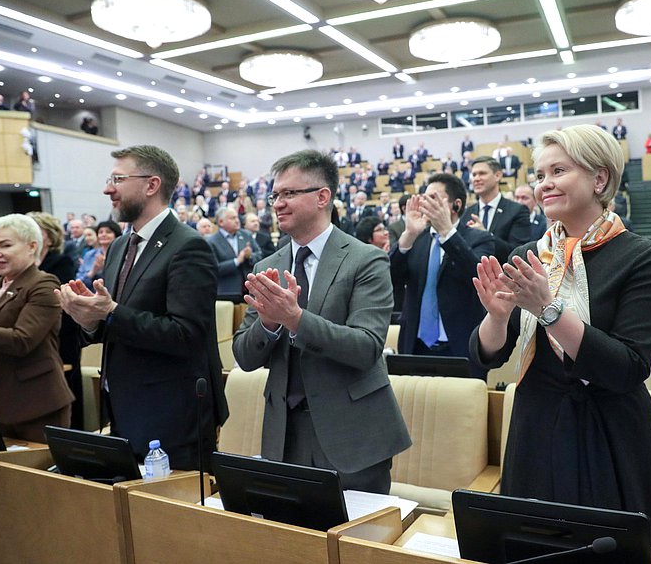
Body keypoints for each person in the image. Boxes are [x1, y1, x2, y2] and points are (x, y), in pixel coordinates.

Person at [469, 124, 651, 550]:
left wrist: (548, 309)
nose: (545, 185)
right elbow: (490, 354)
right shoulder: (527, 255)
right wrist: (496, 317)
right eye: (539, 175)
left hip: (607, 432)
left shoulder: (643, 258)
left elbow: (627, 367)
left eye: (558, 171)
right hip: (535, 425)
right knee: (531, 548)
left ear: (600, 179)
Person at [232, 149, 410, 494]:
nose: (278, 204)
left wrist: (296, 319)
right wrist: (268, 325)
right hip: (284, 435)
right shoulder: (266, 267)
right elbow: (244, 356)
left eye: (289, 193)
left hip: (352, 435)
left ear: (322, 197)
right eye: (275, 195)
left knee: (357, 543)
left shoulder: (365, 260)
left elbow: (366, 347)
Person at [56, 145, 228, 470]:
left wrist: (110, 312)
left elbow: (185, 334)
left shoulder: (189, 246)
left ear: (152, 185)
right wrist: (89, 319)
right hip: (123, 407)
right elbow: (115, 324)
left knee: (167, 518)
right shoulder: (121, 245)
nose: (108, 188)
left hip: (172, 416)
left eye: (118, 179)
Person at [0, 214, 74, 442]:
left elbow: (22, 340)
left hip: (37, 405)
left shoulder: (43, 284)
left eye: (5, 245)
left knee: (36, 477)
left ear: (31, 247)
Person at [390, 173, 494, 379]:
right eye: (424, 197)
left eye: (434, 198)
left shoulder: (480, 238)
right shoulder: (416, 238)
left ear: (456, 205)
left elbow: (478, 277)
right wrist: (408, 235)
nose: (425, 203)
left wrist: (447, 232)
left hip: (460, 348)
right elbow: (390, 279)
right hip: (415, 346)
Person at [28, 211, 84, 430]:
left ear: (49, 238)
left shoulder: (61, 262)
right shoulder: (21, 266)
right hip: (35, 341)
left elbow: (62, 301)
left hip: (62, 337)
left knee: (63, 395)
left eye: (34, 228)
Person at [463, 156, 532, 262]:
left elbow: (518, 254)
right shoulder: (467, 212)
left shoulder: (517, 211)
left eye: (482, 173)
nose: (476, 178)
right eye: (474, 175)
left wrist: (486, 235)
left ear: (498, 175)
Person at [207, 207, 262, 300]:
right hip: (227, 293)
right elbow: (213, 269)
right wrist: (236, 261)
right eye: (232, 218)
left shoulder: (246, 235)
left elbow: (260, 255)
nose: (237, 221)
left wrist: (250, 256)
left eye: (236, 217)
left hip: (251, 290)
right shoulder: (211, 242)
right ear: (221, 222)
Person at [75, 221, 122, 292]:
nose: (103, 234)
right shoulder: (89, 255)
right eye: (100, 232)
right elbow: (78, 281)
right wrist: (93, 271)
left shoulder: (122, 254)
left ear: (116, 235)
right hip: (91, 294)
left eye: (108, 232)